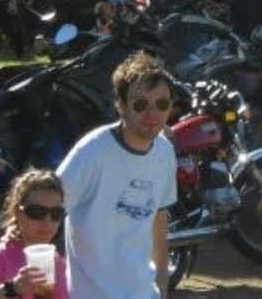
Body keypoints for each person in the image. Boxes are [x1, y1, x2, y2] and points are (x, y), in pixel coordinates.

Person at [56, 52, 176, 299]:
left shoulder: (164, 152)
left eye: (162, 104)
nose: (152, 113)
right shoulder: (92, 151)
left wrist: (163, 292)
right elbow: (43, 214)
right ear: (120, 105)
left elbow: (159, 234)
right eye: (140, 104)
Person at [0, 169, 69, 299]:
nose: (48, 221)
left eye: (56, 213)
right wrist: (13, 288)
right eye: (37, 212)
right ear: (18, 212)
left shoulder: (58, 262)